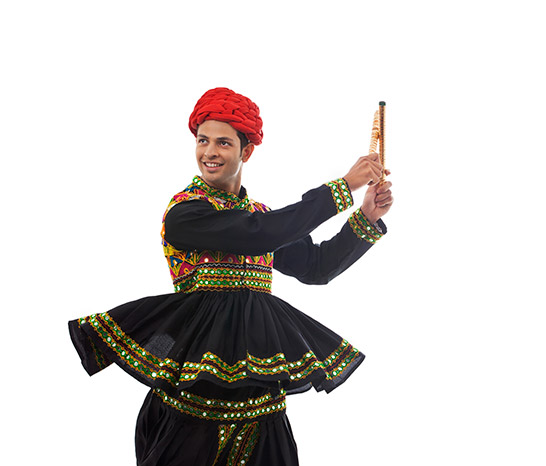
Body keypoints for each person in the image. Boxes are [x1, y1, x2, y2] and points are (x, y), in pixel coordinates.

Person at [68, 87, 393, 466]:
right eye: (202, 140)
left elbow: (316, 266)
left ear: (246, 151)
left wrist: (366, 216)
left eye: (223, 142)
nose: (209, 152)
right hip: (191, 405)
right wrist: (344, 186)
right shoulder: (185, 213)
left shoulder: (261, 216)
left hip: (261, 406)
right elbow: (258, 233)